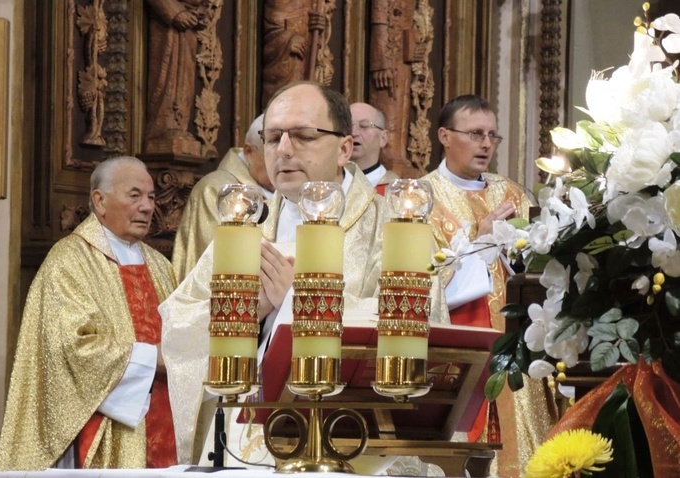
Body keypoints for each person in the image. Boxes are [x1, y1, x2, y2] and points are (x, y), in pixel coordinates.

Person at [159, 81, 411, 465]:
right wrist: (245, 313)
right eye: (273, 138)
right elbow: (178, 322)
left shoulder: (391, 227)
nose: (284, 150)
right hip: (247, 439)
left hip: (354, 440)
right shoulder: (246, 228)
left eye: (304, 136)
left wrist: (300, 302)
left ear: (344, 148)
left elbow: (417, 328)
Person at [0, 157, 177, 471]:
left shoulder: (160, 265)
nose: (148, 207)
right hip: (106, 430)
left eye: (150, 197)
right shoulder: (68, 261)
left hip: (166, 422)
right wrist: (155, 358)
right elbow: (73, 349)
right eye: (134, 196)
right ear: (99, 200)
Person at [421, 94, 555, 477]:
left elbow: (535, 268)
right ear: (445, 136)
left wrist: (519, 251)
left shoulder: (512, 194)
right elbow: (423, 282)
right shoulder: (422, 198)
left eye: (492, 136)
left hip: (516, 341)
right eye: (476, 133)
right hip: (462, 342)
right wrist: (478, 243)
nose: (485, 144)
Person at [172, 114, 274, 281]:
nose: (282, 165)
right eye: (273, 156)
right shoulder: (215, 190)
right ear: (249, 152)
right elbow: (213, 265)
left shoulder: (289, 191)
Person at [144, 0, 209, 154]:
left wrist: (200, 12)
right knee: (168, 76)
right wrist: (175, 12)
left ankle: (178, 124)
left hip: (188, 27)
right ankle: (163, 128)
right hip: (168, 26)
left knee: (184, 78)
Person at [349, 102, 398, 194]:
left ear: (383, 138)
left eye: (364, 126)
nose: (353, 133)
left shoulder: (396, 192)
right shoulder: (327, 186)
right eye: (348, 126)